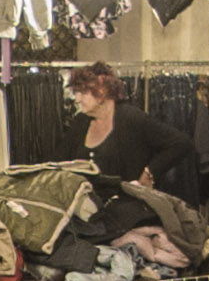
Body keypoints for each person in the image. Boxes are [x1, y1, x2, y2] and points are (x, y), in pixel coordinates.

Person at [55, 61, 193, 188]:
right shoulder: (81, 122)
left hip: (126, 209)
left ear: (102, 90)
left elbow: (181, 143)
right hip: (86, 209)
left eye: (84, 93)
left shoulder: (131, 118)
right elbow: (59, 162)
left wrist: (150, 172)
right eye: (77, 93)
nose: (77, 99)